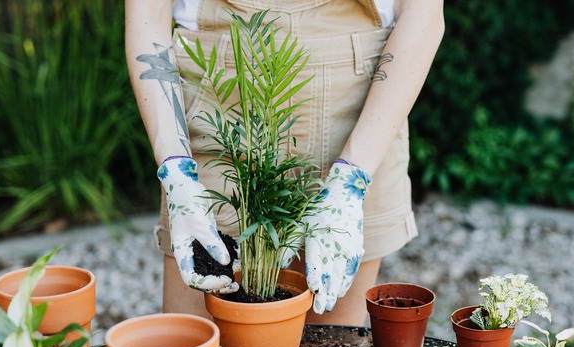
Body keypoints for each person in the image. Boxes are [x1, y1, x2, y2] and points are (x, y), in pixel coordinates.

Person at [125, 0, 444, 326]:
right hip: (219, 103)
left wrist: (352, 177)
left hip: (357, 108)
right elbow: (147, 15)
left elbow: (423, 12)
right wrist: (176, 169)